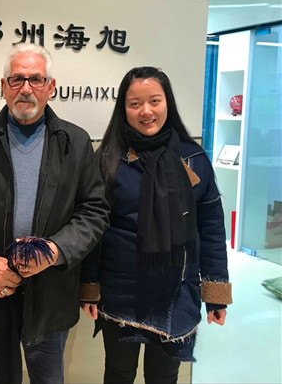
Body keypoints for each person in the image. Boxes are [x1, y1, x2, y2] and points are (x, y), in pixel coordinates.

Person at [0, 43, 110, 384]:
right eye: (17, 79)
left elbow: (94, 211)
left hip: (50, 294)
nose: (26, 88)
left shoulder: (75, 142)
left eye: (36, 79)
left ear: (51, 86)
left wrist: (54, 251)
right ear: (3, 86)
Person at [81, 66, 232, 384]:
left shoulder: (193, 158)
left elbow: (211, 227)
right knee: (119, 373)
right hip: (121, 292)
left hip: (176, 291)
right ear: (123, 109)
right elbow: (93, 230)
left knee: (164, 376)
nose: (146, 111)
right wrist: (89, 288)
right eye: (135, 103)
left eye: (154, 101)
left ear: (168, 103)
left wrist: (216, 293)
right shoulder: (109, 159)